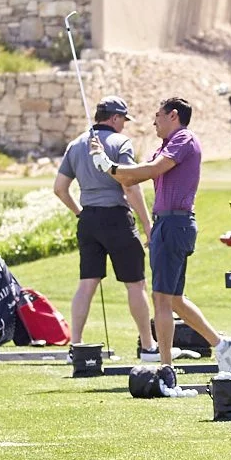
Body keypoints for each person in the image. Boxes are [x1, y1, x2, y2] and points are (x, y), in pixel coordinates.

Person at [102, 97, 231, 389]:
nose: (154, 121)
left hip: (175, 224)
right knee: (174, 299)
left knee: (161, 299)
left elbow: (151, 170)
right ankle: (221, 343)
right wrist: (105, 166)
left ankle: (167, 369)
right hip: (168, 224)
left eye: (158, 115)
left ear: (173, 116)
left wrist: (110, 167)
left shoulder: (183, 139)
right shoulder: (165, 145)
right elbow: (134, 177)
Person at [53, 95, 157, 359]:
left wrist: (80, 213)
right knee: (135, 284)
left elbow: (60, 189)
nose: (124, 125)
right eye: (123, 119)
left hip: (88, 220)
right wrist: (147, 224)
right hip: (116, 218)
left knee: (87, 283)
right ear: (114, 118)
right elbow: (130, 185)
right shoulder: (120, 142)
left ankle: (76, 346)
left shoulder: (76, 145)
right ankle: (148, 346)